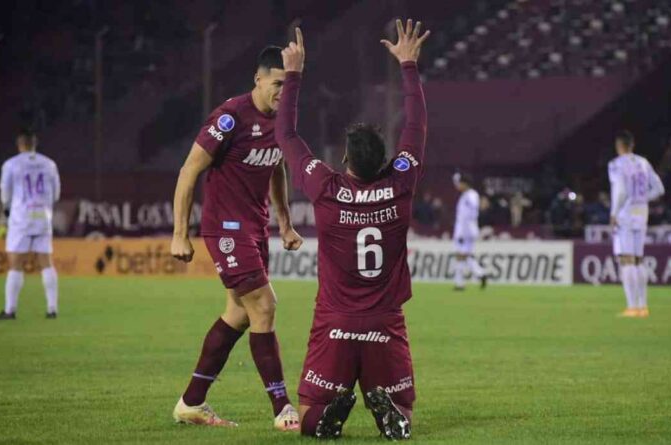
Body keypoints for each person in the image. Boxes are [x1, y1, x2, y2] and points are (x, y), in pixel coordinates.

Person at [275, 21, 429, 439]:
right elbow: (416, 130)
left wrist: (294, 73)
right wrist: (409, 65)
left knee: (308, 415)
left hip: (335, 321)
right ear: (385, 161)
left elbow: (285, 134)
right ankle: (389, 412)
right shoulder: (400, 184)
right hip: (385, 320)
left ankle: (329, 414)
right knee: (406, 417)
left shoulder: (326, 187)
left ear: (344, 160)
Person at [169, 45, 303, 431]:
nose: (283, 91)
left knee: (240, 313)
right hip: (226, 228)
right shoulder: (229, 118)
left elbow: (277, 167)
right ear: (258, 80)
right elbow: (188, 172)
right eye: (278, 83)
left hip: (255, 227)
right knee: (264, 305)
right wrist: (180, 233)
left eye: (289, 84)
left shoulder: (280, 121)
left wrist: (284, 223)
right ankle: (282, 408)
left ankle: (191, 403)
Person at [0, 128, 61, 320]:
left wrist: (7, 210)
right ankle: (52, 309)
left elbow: (5, 192)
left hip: (21, 217)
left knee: (15, 263)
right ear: (35, 143)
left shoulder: (11, 164)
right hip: (42, 216)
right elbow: (56, 193)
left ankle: (10, 310)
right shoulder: (49, 164)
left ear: (20, 143)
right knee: (46, 261)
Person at [609, 130, 664, 318]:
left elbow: (620, 190)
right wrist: (642, 199)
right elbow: (659, 189)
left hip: (625, 213)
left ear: (619, 146)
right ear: (632, 145)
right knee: (639, 259)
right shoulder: (643, 162)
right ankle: (643, 306)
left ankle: (632, 307)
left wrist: (614, 213)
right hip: (642, 213)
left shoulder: (616, 165)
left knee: (627, 260)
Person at [452, 172, 487, 290]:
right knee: (464, 255)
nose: (458, 185)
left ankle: (460, 283)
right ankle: (480, 274)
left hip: (466, 230)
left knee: (460, 255)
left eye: (460, 183)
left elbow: (471, 214)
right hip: (465, 229)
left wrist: (463, 232)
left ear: (465, 183)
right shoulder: (466, 195)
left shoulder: (470, 195)